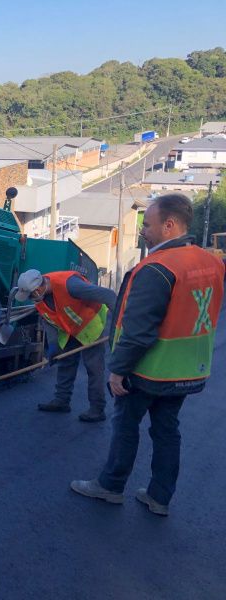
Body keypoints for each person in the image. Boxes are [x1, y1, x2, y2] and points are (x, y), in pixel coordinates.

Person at [70, 194, 224, 515]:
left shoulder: (157, 268)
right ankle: (159, 498)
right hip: (189, 369)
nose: (142, 230)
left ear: (169, 226)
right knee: (167, 432)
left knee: (126, 426)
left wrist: (117, 369)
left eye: (148, 224)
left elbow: (138, 330)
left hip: (148, 370)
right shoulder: (210, 262)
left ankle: (110, 486)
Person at [15, 269, 116, 422]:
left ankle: (97, 409)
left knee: (94, 369)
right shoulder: (40, 299)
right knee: (65, 364)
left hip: (90, 325)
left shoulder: (70, 285)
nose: (29, 299)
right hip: (69, 330)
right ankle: (62, 401)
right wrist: (54, 346)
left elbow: (109, 296)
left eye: (29, 295)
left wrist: (119, 325)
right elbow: (48, 321)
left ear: (37, 290)